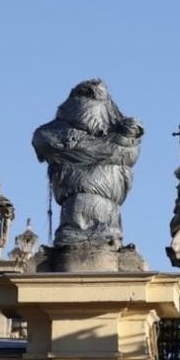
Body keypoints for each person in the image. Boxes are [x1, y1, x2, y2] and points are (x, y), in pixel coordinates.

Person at [32, 79, 144, 248]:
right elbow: (44, 141)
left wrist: (90, 146)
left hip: (103, 211)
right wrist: (113, 143)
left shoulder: (123, 132)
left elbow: (128, 152)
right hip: (83, 210)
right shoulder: (55, 132)